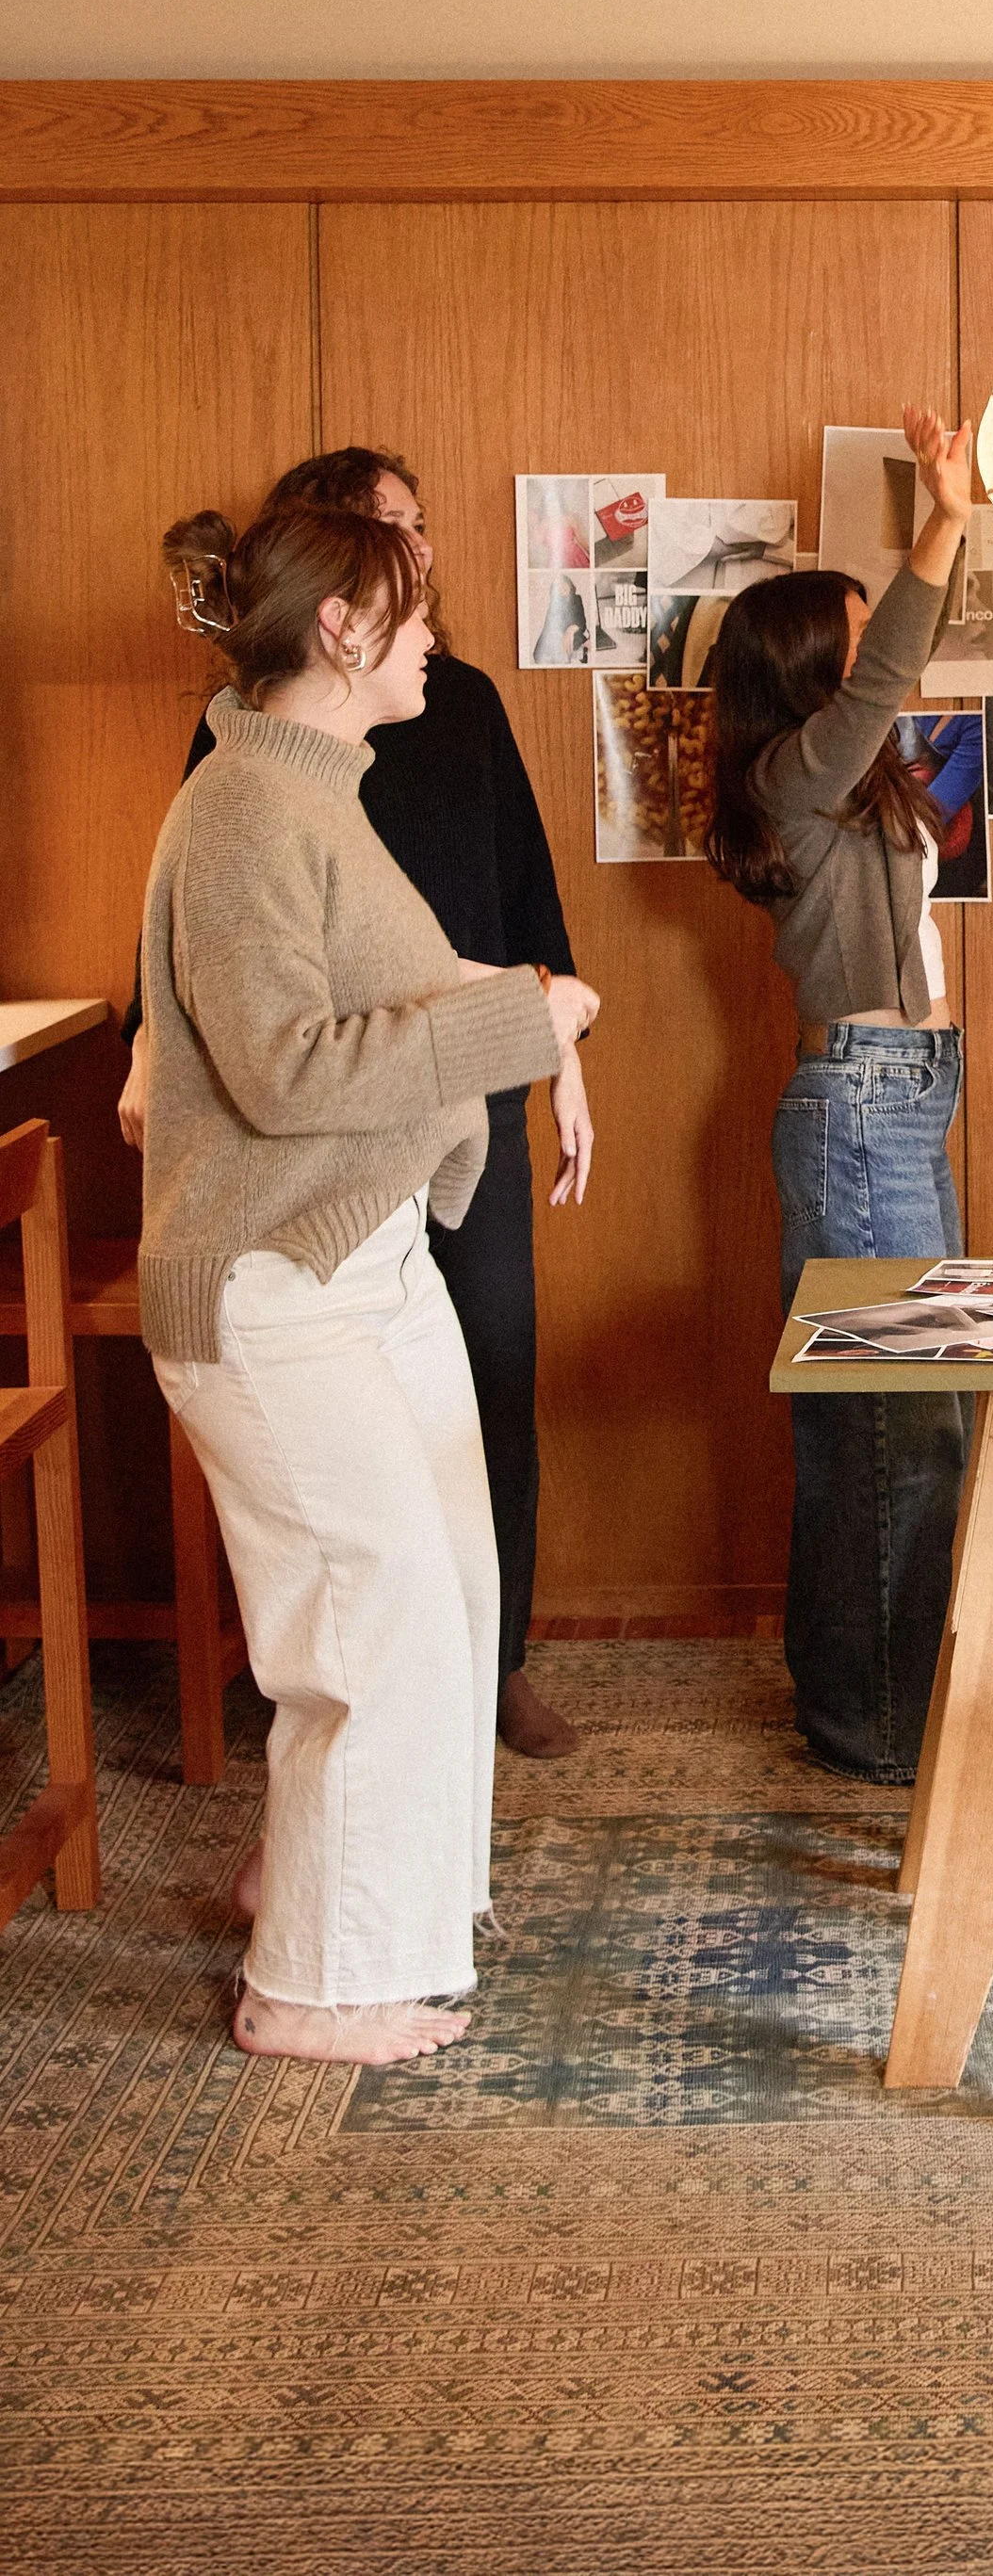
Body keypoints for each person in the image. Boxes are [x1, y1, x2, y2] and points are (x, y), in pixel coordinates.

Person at [138, 498, 598, 2066]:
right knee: (375, 1606)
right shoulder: (245, 810)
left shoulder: (313, 792)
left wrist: (518, 1002)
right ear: (341, 628)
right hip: (269, 1285)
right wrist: (516, 1026)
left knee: (449, 1589)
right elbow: (278, 1065)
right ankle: (309, 1984)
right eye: (413, 614)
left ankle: (370, 1908)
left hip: (360, 1256)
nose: (432, 639)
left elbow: (400, 979)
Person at [706, 407, 973, 1784]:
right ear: (815, 672)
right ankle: (874, 1725)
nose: (883, 667)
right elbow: (883, 688)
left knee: (909, 1416)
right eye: (858, 643)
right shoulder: (794, 776)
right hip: (864, 1109)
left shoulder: (850, 788)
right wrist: (944, 517)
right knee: (897, 1425)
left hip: (903, 1103)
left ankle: (866, 1695)